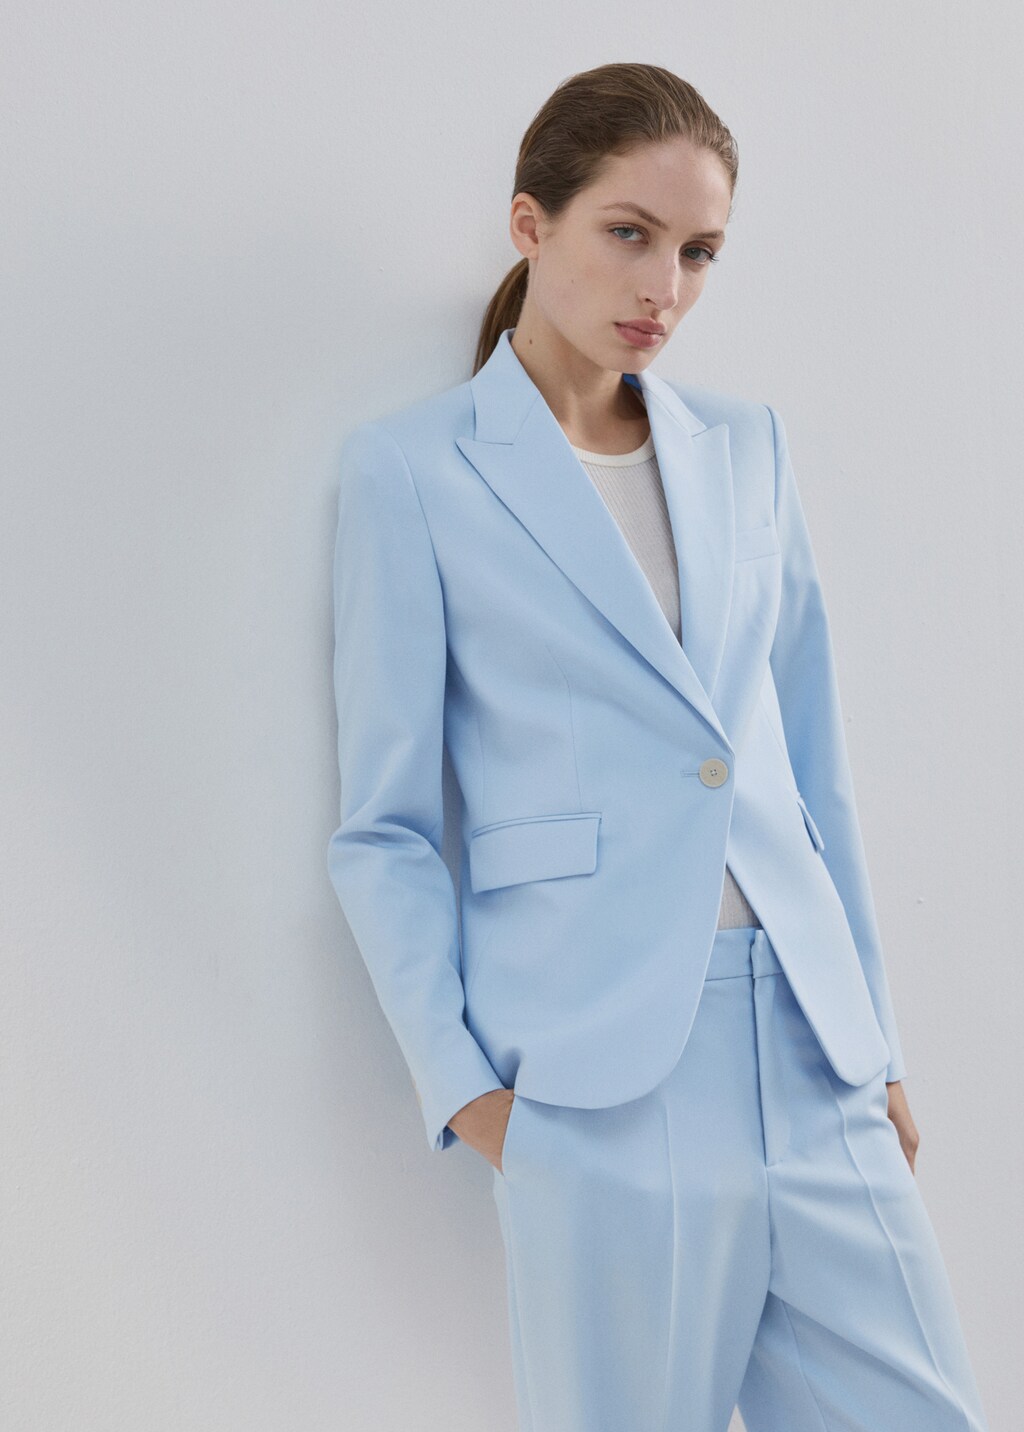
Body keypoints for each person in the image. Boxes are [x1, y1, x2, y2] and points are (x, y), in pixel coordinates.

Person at [327, 62, 990, 1432]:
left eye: (698, 252)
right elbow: (383, 826)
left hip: (809, 1051)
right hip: (601, 1076)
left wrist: (870, 1039)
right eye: (629, 233)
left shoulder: (746, 447)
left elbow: (808, 767)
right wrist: (470, 1092)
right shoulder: (417, 471)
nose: (664, 287)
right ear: (531, 223)